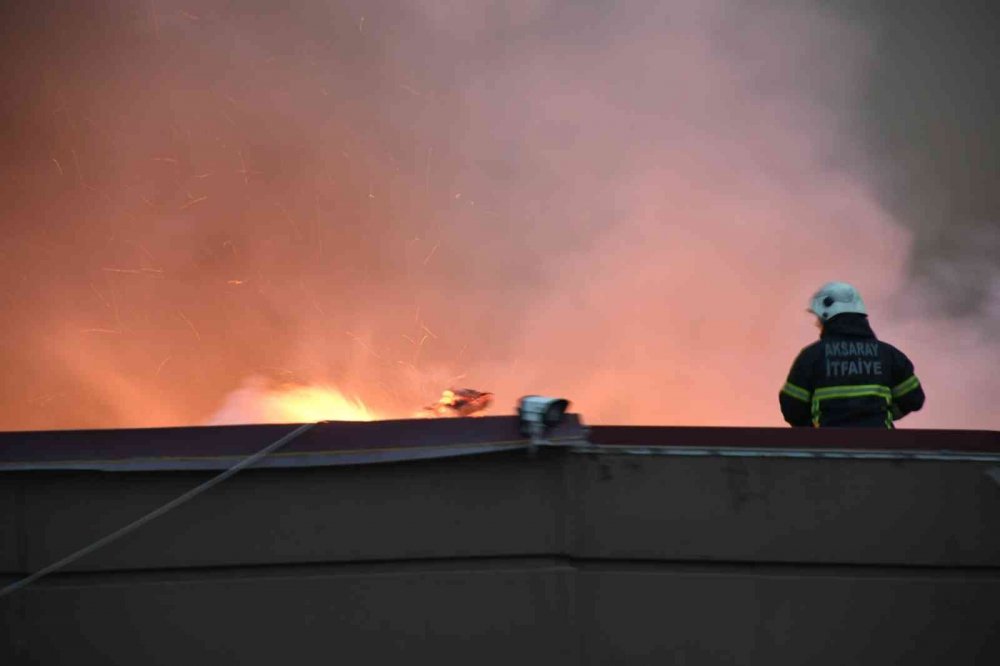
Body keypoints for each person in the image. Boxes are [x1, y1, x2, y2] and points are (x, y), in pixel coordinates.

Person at [779, 282, 924, 428]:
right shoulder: (889, 355)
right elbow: (913, 399)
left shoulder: (812, 356)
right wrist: (883, 416)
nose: (818, 323)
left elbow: (792, 408)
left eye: (819, 319)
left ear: (826, 314)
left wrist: (815, 429)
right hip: (879, 440)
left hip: (828, 441)